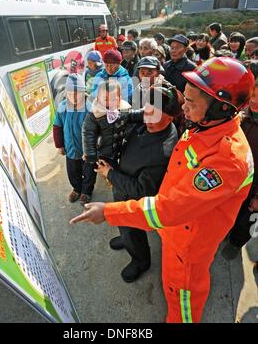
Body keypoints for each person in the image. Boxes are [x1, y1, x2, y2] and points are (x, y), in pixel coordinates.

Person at [70, 57, 255, 323]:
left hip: (186, 249)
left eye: (190, 103)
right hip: (172, 233)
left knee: (182, 306)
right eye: (185, 100)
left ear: (221, 107)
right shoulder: (204, 127)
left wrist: (109, 212)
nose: (185, 109)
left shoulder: (227, 160)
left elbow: (169, 208)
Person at [95, 83, 182, 283]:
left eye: (155, 116)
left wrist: (109, 174)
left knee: (133, 229)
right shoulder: (152, 116)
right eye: (147, 111)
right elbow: (135, 114)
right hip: (121, 185)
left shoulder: (163, 151)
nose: (148, 118)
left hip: (132, 198)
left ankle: (141, 261)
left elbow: (142, 190)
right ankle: (125, 238)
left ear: (170, 118)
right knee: (122, 224)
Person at [221, 61, 258, 260]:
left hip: (253, 186)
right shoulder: (240, 116)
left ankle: (235, 243)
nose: (254, 99)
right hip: (231, 179)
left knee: (245, 220)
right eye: (252, 93)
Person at [53, 74, 96, 205]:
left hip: (86, 151)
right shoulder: (63, 106)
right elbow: (57, 126)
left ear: (84, 92)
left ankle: (86, 192)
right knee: (72, 171)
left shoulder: (89, 109)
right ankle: (77, 188)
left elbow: (94, 132)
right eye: (70, 93)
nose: (74, 97)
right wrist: (59, 145)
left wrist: (89, 151)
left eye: (78, 93)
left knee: (89, 172)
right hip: (70, 148)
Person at [83, 79, 143, 172]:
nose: (110, 103)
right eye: (105, 99)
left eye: (114, 99)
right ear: (98, 99)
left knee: (114, 171)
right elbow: (88, 133)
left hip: (119, 149)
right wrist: (90, 154)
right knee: (92, 172)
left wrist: (144, 113)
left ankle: (111, 181)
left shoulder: (123, 109)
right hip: (103, 152)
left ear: (120, 98)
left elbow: (133, 115)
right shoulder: (95, 114)